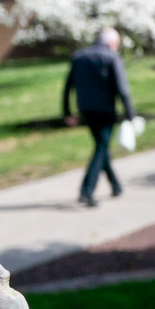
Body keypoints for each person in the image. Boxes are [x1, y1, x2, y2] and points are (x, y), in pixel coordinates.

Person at [62, 28, 135, 207]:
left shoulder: (79, 57)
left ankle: (115, 186)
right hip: (105, 111)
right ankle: (86, 192)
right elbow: (122, 89)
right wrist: (130, 114)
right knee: (101, 148)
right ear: (111, 44)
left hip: (86, 110)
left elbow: (67, 87)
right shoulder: (111, 58)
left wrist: (67, 112)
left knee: (101, 146)